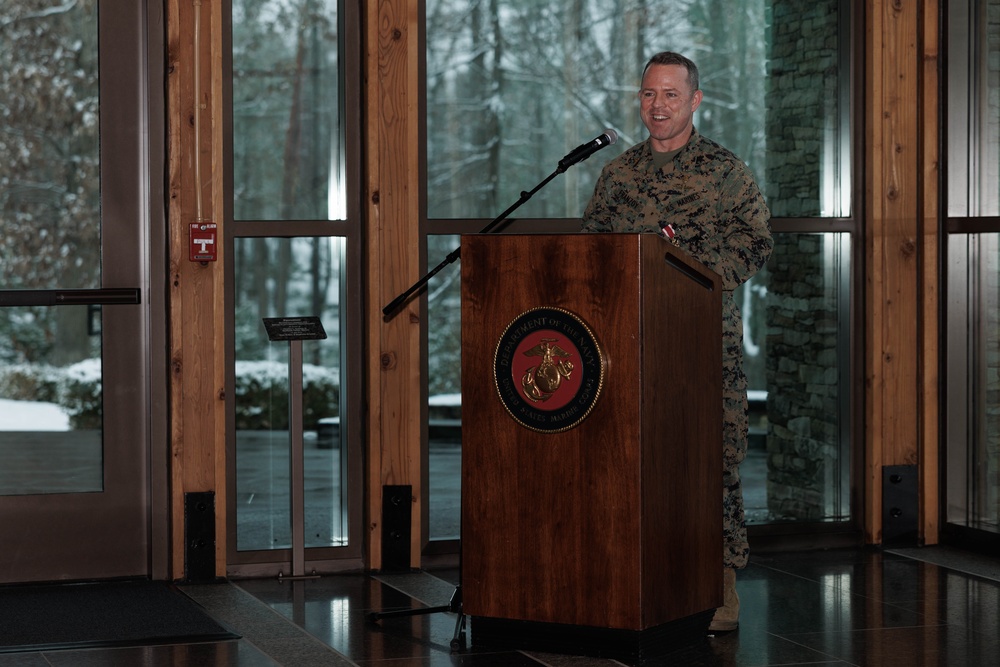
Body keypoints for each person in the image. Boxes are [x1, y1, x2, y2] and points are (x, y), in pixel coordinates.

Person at [581, 51, 773, 632]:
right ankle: (633, 580)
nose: (656, 106)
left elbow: (755, 241)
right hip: (628, 348)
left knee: (711, 464)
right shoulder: (619, 174)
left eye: (669, 95)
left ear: (694, 100)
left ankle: (719, 586)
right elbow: (593, 248)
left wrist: (684, 268)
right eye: (647, 94)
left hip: (701, 349)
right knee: (630, 464)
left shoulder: (723, 170)